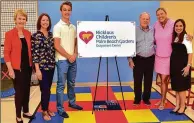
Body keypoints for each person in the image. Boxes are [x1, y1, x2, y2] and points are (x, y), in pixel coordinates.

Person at [154, 8, 193, 110]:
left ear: (166, 14)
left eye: (162, 14)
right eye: (158, 14)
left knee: (164, 80)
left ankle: (163, 101)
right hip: (158, 57)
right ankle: (165, 99)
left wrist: (189, 36)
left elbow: (181, 32)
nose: (160, 16)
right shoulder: (155, 24)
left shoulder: (173, 23)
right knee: (163, 81)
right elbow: (154, 39)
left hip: (170, 58)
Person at [4, 9, 35, 123]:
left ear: (26, 20)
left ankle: (26, 111)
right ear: (15, 20)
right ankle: (18, 116)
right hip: (17, 69)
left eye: (23, 19)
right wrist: (10, 69)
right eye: (19, 18)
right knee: (19, 92)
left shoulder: (28, 33)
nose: (21, 20)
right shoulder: (9, 34)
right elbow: (6, 53)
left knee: (27, 90)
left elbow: (30, 51)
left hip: (27, 67)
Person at [53, 1, 83, 118]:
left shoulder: (74, 27)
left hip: (73, 60)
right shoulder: (57, 27)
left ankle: (72, 102)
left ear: (71, 11)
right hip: (62, 60)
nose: (67, 12)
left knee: (72, 83)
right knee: (61, 85)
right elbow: (57, 45)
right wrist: (68, 56)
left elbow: (76, 43)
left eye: (68, 10)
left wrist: (75, 54)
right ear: (61, 11)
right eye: (64, 10)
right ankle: (60, 109)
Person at [31, 13, 55, 121]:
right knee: (45, 89)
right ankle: (44, 111)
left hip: (51, 66)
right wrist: (37, 70)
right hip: (41, 68)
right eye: (43, 20)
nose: (45, 22)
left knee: (47, 89)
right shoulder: (35, 36)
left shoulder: (51, 35)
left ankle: (46, 107)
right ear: (39, 22)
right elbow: (35, 54)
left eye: (47, 20)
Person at [129, 12, 155, 105]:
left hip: (150, 59)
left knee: (148, 80)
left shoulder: (153, 30)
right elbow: (129, 45)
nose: (145, 20)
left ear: (149, 20)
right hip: (138, 59)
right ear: (140, 19)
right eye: (143, 19)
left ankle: (146, 99)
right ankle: (137, 99)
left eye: (147, 19)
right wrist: (130, 60)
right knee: (137, 80)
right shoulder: (134, 30)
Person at [170, 19, 193, 115]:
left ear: (184, 27)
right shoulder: (175, 37)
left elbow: (190, 53)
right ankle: (177, 105)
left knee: (182, 88)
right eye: (176, 26)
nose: (178, 28)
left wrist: (188, 66)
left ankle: (183, 106)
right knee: (176, 87)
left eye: (180, 26)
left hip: (183, 66)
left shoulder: (186, 37)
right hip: (174, 66)